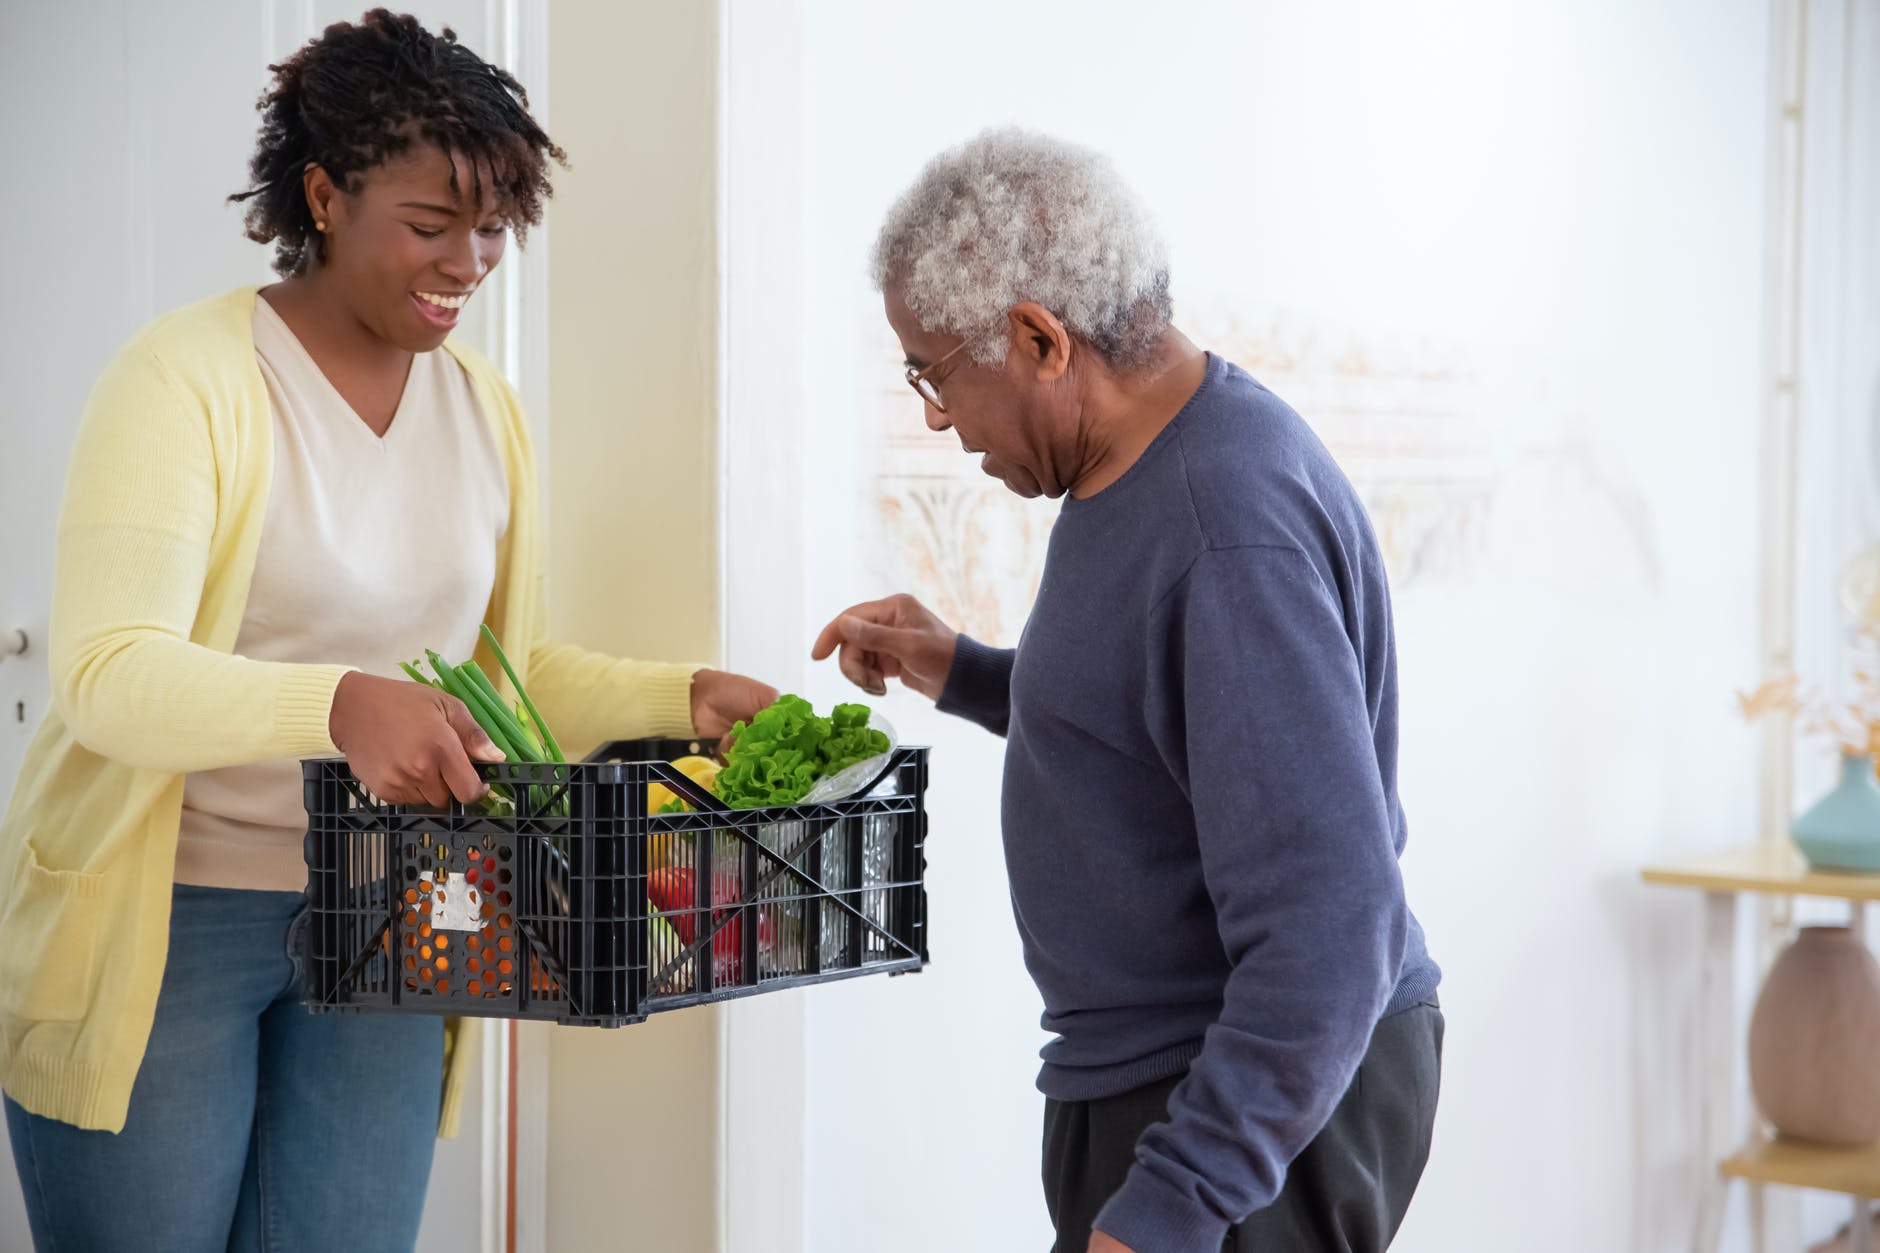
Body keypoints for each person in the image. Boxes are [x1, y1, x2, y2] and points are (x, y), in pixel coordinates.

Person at [0, 10, 774, 1250]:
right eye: (429, 224)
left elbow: (485, 681)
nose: (468, 260)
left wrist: (673, 695)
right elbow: (109, 675)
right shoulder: (186, 380)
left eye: (493, 228)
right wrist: (338, 703)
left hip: (398, 898)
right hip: (167, 916)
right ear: (323, 194)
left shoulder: (483, 411)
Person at [814, 129, 1443, 1253]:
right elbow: (1163, 725)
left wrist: (1176, 1199)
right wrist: (959, 667)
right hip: (1176, 1076)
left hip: (1236, 1095)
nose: (935, 415)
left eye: (935, 372)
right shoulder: (1144, 468)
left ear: (1038, 339)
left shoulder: (1222, 526)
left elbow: (1330, 926)